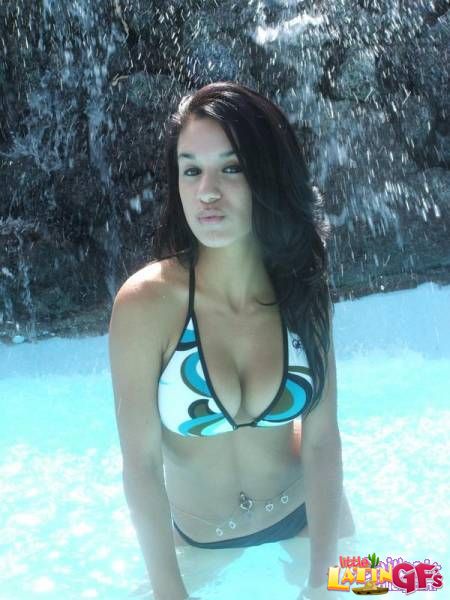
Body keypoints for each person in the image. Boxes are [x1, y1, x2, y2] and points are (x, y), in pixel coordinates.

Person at [108, 81, 355, 600]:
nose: (208, 192)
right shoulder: (146, 304)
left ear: (267, 173)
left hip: (313, 527)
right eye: (191, 170)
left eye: (232, 167)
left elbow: (321, 440)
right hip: (200, 548)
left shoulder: (303, 285)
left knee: (417, 580)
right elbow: (142, 467)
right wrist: (170, 594)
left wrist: (324, 581)